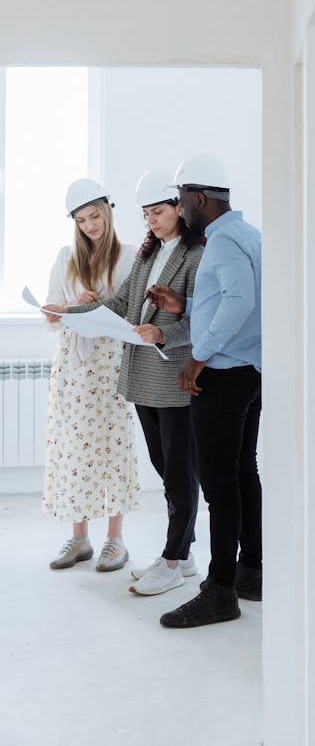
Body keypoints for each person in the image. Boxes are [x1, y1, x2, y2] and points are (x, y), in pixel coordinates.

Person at [57, 169, 205, 596]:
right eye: (146, 215)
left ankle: (173, 559)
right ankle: (187, 554)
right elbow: (121, 305)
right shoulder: (145, 255)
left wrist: (163, 333)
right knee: (165, 469)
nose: (152, 221)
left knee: (180, 473)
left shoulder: (196, 255)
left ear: (179, 209)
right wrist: (71, 312)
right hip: (142, 378)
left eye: (158, 212)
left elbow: (203, 319)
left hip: (175, 376)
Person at [147, 153, 262, 629]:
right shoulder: (248, 235)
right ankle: (252, 571)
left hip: (223, 375)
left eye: (179, 200)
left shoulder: (222, 241)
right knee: (242, 474)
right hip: (250, 372)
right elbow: (232, 297)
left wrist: (197, 356)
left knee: (218, 485)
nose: (178, 208)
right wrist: (185, 302)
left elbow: (240, 301)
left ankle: (218, 591)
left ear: (197, 198)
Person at [42, 178, 139, 572]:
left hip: (111, 362)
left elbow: (133, 311)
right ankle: (79, 538)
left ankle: (115, 540)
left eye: (94, 215)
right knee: (73, 448)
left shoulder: (128, 256)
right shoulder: (67, 256)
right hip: (73, 367)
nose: (89, 225)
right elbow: (50, 312)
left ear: (108, 211)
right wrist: (72, 304)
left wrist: (98, 307)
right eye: (82, 220)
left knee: (112, 446)